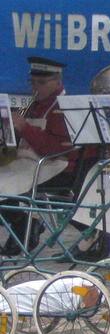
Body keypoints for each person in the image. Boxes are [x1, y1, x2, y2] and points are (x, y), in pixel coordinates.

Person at [0, 56, 73, 256]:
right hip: (25, 162)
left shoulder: (63, 107)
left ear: (57, 81)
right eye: (32, 82)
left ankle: (23, 224)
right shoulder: (34, 105)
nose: (35, 87)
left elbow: (54, 150)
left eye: (41, 83)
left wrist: (24, 127)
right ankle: (22, 222)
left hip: (51, 165)